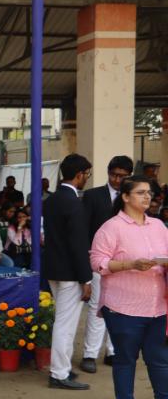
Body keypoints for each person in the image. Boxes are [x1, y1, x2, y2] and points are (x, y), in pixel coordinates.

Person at [90, 175, 168, 399]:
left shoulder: (158, 226)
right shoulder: (111, 228)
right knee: (125, 359)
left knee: (159, 360)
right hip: (123, 307)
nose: (147, 197)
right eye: (140, 192)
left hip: (158, 306)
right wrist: (130, 264)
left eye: (149, 193)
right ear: (125, 197)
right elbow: (97, 262)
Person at [43, 154, 93, 390]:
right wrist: (86, 278)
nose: (87, 178)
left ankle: (61, 368)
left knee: (63, 323)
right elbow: (77, 244)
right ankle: (59, 373)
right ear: (79, 174)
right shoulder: (73, 202)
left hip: (54, 268)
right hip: (71, 272)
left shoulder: (51, 200)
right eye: (87, 174)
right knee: (66, 325)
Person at [81, 155, 132, 371]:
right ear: (108, 173)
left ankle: (113, 351)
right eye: (114, 175)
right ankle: (90, 354)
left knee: (120, 307)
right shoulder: (93, 195)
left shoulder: (132, 197)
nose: (117, 180)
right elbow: (84, 228)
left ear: (129, 176)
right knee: (97, 306)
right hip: (99, 259)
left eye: (122, 176)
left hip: (126, 261)